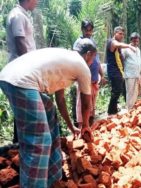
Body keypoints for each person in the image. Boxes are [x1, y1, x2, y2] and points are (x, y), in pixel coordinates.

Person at [0, 38, 96, 187]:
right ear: (89, 54)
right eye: (94, 58)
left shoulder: (67, 61)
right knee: (39, 140)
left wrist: (71, 126)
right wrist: (85, 126)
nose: (92, 62)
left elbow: (60, 100)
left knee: (49, 108)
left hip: (11, 77)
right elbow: (86, 103)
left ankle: (53, 177)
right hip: (21, 82)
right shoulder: (82, 66)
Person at [6, 0, 38, 143]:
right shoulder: (17, 15)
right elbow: (20, 44)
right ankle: (18, 146)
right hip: (21, 71)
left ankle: (19, 145)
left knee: (23, 110)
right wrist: (29, 68)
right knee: (23, 110)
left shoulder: (21, 15)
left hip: (23, 69)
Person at [74, 20, 106, 127]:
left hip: (93, 79)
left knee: (92, 106)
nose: (88, 32)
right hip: (84, 80)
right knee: (82, 104)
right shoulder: (78, 43)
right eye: (86, 30)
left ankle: (90, 128)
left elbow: (96, 61)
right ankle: (81, 128)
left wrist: (102, 74)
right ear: (82, 29)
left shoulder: (93, 42)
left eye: (90, 30)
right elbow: (77, 62)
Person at [106, 26, 136, 115]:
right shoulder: (112, 42)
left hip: (119, 70)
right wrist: (129, 46)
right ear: (115, 33)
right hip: (113, 70)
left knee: (122, 89)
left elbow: (120, 56)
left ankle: (128, 107)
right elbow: (117, 44)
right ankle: (111, 112)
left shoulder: (118, 44)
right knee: (116, 91)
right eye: (120, 34)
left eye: (123, 34)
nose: (122, 36)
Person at [123, 32, 141, 110]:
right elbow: (122, 60)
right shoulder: (126, 49)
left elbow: (139, 62)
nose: (135, 43)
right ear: (131, 40)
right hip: (129, 74)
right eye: (134, 41)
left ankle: (133, 108)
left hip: (137, 74)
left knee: (136, 92)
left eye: (137, 41)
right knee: (130, 92)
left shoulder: (138, 50)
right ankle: (129, 109)